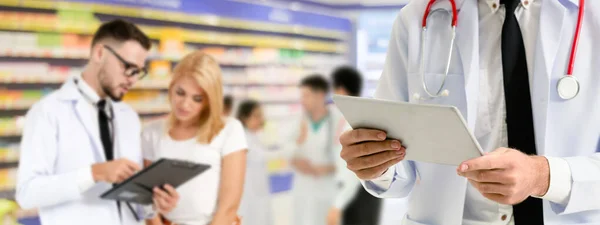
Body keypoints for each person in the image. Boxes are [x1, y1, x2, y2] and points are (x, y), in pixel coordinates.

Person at [338, 0, 600, 224]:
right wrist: (375, 162)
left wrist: (542, 176)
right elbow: (398, 169)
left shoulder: (592, 17)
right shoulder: (417, 19)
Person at [15, 19, 179, 225]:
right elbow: (27, 193)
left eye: (138, 71)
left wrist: (154, 203)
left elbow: (130, 199)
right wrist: (94, 173)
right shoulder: (48, 112)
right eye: (128, 67)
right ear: (99, 53)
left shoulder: (128, 116)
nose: (132, 79)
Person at [142, 51, 248, 225]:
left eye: (197, 99)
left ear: (209, 100)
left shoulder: (229, 130)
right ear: (171, 87)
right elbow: (147, 201)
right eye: (180, 93)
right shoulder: (151, 133)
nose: (185, 104)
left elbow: (228, 207)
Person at [326, 66, 383, 225]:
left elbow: (351, 172)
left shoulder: (354, 121)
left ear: (341, 90)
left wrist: (337, 206)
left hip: (359, 193)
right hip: (353, 191)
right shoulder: (344, 116)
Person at [289, 75, 344, 225]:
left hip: (327, 185)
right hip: (303, 185)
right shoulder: (298, 119)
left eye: (306, 95)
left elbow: (345, 154)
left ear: (320, 95)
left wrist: (329, 168)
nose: (302, 100)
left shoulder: (338, 119)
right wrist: (294, 160)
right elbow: (286, 149)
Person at [236, 100, 273, 225]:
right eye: (256, 116)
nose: (261, 119)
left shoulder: (254, 137)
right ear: (244, 118)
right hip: (249, 199)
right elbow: (262, 156)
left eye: (261, 115)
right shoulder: (243, 139)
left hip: (258, 196)